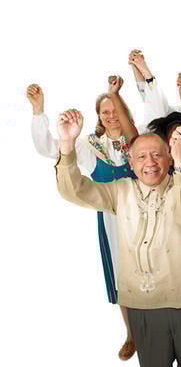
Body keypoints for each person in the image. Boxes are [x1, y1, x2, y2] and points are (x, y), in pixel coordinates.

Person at [55, 113, 181, 367]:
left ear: (169, 157)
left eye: (158, 155)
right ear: (130, 161)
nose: (150, 162)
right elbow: (74, 191)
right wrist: (66, 143)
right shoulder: (120, 190)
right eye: (141, 156)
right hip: (142, 306)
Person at [27, 79, 138, 361]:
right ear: (98, 117)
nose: (111, 116)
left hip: (144, 215)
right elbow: (49, 148)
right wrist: (39, 111)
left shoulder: (139, 140)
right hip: (113, 222)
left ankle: (155, 327)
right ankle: (131, 333)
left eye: (115, 110)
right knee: (121, 274)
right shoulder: (90, 145)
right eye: (105, 112)